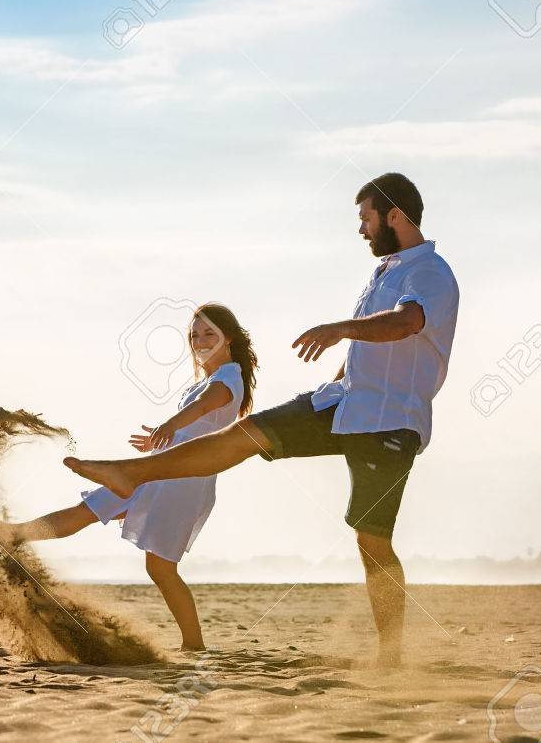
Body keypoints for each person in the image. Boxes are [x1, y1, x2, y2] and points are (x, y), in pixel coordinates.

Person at [64, 173, 458, 666]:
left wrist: (337, 328)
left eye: (366, 218)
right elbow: (372, 351)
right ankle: (130, 472)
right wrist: (339, 373)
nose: (361, 229)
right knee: (243, 434)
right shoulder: (387, 270)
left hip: (389, 423)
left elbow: (406, 324)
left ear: (394, 215)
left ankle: (392, 658)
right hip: (341, 403)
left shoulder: (430, 272)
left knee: (372, 539)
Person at [0, 303, 258, 651]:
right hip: (155, 472)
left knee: (160, 568)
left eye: (210, 333)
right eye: (194, 335)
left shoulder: (227, 378)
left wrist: (169, 426)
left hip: (184, 482)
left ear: (229, 337)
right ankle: (12, 535)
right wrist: (162, 438)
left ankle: (194, 646)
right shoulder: (210, 378)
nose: (200, 340)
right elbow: (199, 414)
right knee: (86, 511)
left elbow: (206, 405)